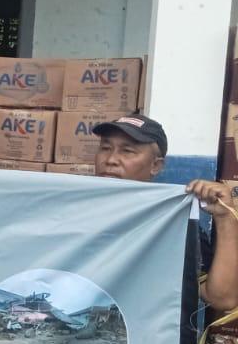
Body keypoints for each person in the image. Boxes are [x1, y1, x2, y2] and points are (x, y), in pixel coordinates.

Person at [93, 114, 238, 310]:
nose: (110, 160)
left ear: (156, 165)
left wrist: (225, 217)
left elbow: (222, 299)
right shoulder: (68, 211)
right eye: (105, 148)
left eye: (127, 151)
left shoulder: (174, 223)